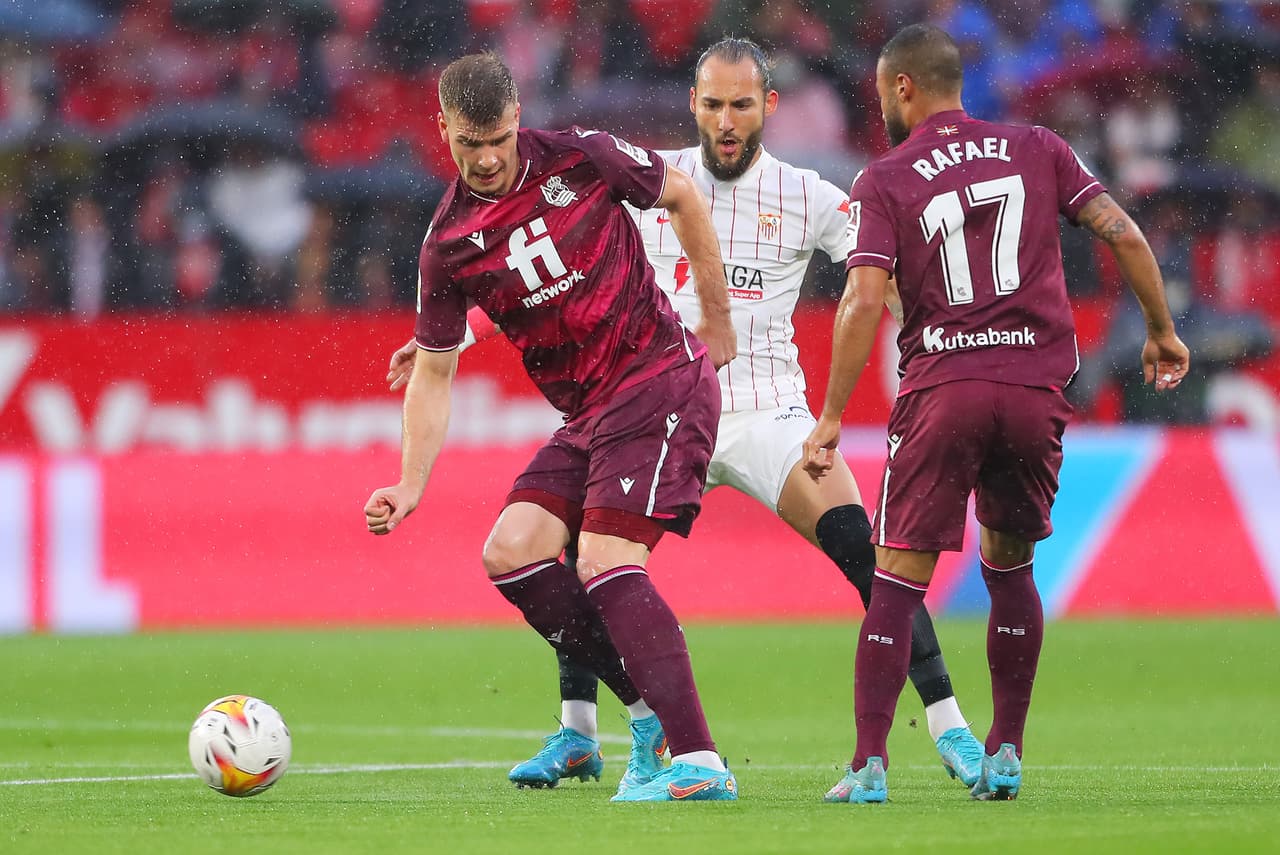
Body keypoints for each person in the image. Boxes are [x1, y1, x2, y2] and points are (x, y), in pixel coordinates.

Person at [387, 38, 985, 793]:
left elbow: (884, 287)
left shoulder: (811, 194)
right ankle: (581, 729)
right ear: (692, 106)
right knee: (565, 548)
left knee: (864, 558)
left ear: (768, 108)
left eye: (741, 104)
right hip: (650, 395)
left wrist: (951, 341)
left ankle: (949, 724)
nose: (726, 120)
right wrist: (446, 338)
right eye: (712, 104)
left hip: (763, 412)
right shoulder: (638, 175)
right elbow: (544, 271)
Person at [803, 24, 1189, 804]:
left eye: (883, 93)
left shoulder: (887, 177)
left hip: (946, 386)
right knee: (1010, 567)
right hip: (1032, 387)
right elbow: (1123, 231)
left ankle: (869, 762)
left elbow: (863, 296)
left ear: (904, 86)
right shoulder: (1038, 145)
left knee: (897, 578)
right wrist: (1160, 328)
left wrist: (832, 413)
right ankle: (1005, 751)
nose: (882, 106)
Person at [364, 52, 740, 803]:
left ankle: (700, 760)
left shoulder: (582, 154)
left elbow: (684, 196)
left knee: (604, 556)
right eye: (470, 144)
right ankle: (644, 716)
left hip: (658, 375)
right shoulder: (446, 244)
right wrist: (410, 481)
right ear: (443, 131)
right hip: (590, 414)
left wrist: (718, 317)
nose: (488, 157)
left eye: (498, 137)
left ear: (516, 117)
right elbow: (433, 374)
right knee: (513, 550)